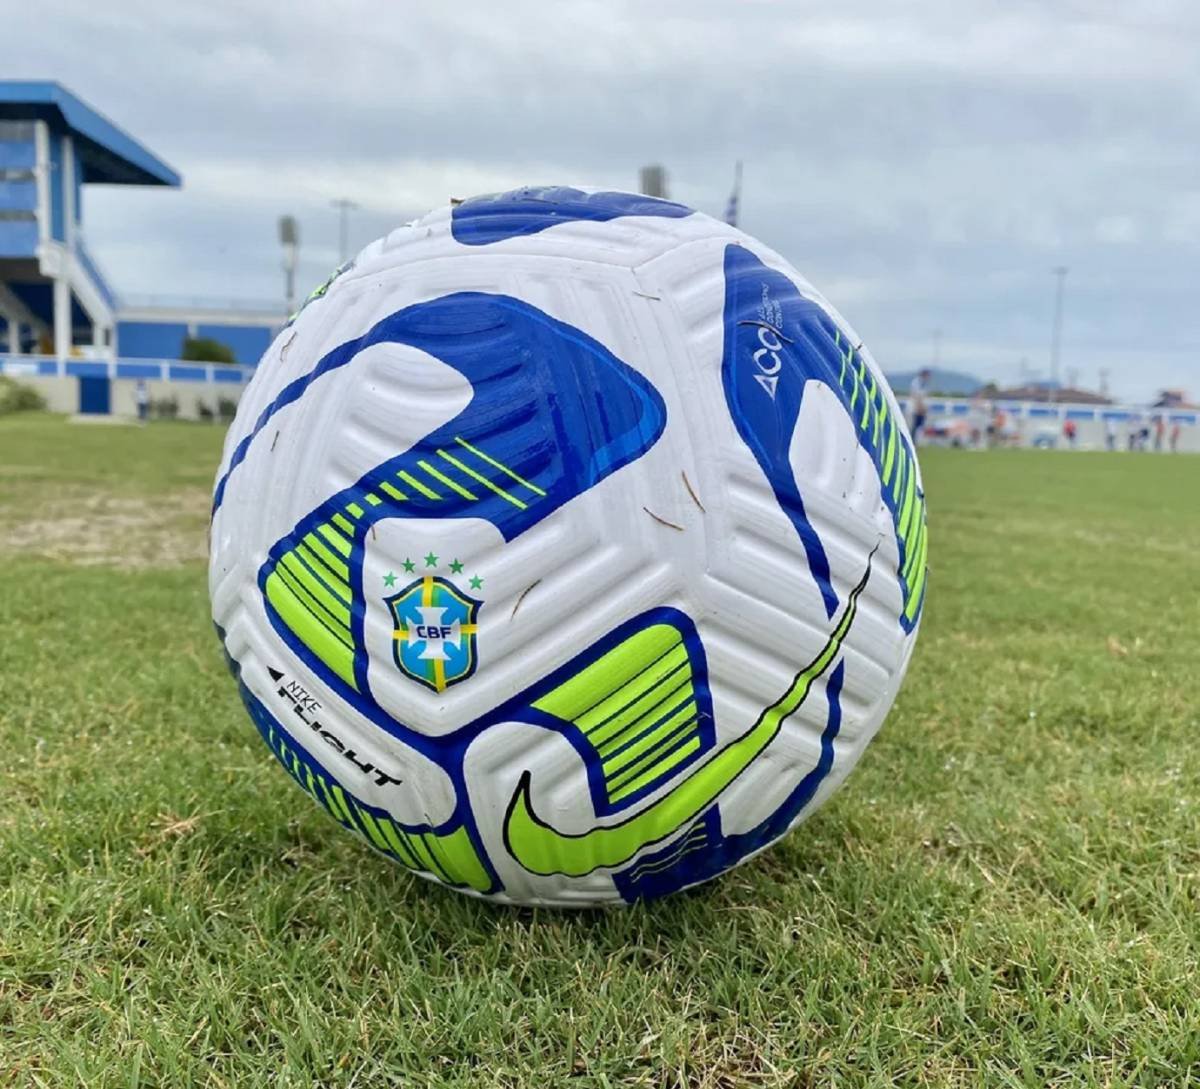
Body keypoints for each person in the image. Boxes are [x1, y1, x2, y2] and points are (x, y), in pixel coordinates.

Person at [909, 368, 931, 444]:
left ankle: (916, 441)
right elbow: (916, 395)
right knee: (915, 425)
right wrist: (920, 407)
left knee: (920, 425)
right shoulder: (917, 382)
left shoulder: (924, 383)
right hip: (916, 407)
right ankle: (913, 441)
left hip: (921, 407)